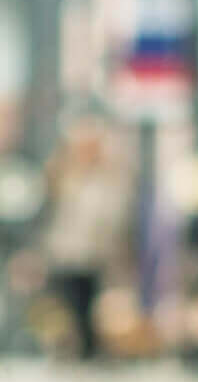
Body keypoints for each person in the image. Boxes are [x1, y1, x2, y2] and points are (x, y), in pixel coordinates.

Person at [42, 118, 132, 361]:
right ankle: (74, 346)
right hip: (68, 251)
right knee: (68, 301)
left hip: (94, 252)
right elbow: (56, 211)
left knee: (91, 301)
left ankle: (91, 348)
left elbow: (111, 215)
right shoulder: (67, 175)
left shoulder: (106, 179)